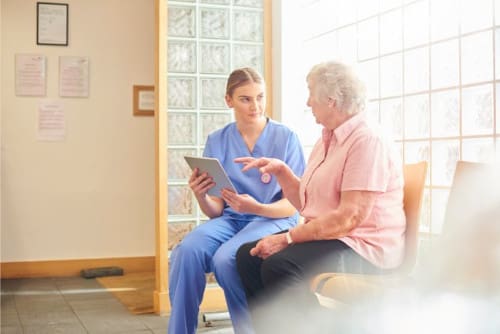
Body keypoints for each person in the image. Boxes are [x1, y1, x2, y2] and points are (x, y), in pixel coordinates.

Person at [235, 61, 406, 333]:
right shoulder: (328, 138)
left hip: (364, 247)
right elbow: (310, 205)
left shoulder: (367, 140)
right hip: (336, 238)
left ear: (331, 100)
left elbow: (348, 218)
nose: (307, 102)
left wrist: (287, 238)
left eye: (311, 93)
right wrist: (283, 173)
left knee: (279, 266)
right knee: (248, 256)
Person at [167, 67, 306, 334]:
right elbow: (216, 210)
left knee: (225, 259)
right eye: (245, 99)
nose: (255, 106)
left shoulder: (286, 138)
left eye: (260, 97)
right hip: (232, 219)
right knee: (186, 251)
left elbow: (295, 205)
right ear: (228, 100)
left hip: (273, 218)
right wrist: (200, 194)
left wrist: (255, 207)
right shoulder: (217, 140)